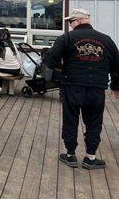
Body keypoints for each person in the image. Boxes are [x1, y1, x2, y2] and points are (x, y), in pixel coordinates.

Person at [44, 9, 119, 170]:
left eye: (70, 22)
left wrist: (61, 67)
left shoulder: (67, 38)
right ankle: (90, 157)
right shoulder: (106, 40)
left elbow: (50, 59)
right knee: (94, 122)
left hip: (72, 86)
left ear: (77, 21)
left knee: (71, 119)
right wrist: (116, 87)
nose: (70, 25)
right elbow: (117, 67)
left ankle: (70, 155)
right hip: (97, 89)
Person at [0, 28, 22, 98]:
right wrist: (20, 67)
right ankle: (10, 91)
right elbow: (18, 57)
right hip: (16, 70)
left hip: (3, 69)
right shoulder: (12, 44)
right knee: (3, 70)